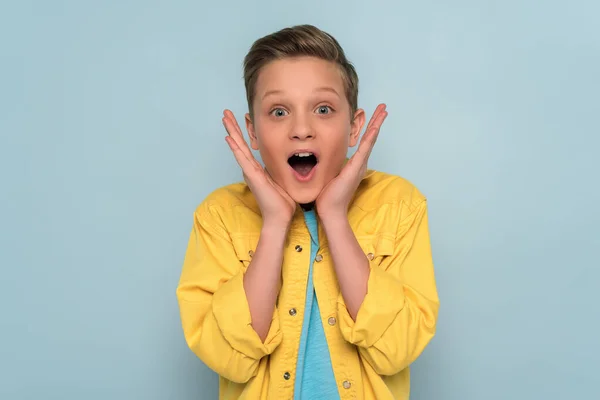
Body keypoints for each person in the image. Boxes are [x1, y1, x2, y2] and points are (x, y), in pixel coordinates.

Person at [176, 24, 439, 400]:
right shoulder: (219, 215)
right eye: (279, 111)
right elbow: (228, 357)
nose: (301, 129)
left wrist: (334, 216)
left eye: (323, 109)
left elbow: (397, 348)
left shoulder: (400, 205)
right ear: (253, 132)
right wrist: (274, 224)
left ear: (354, 127)